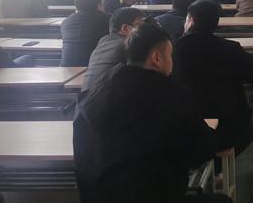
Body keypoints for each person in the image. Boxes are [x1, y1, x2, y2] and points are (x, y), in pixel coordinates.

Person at [74, 23, 229, 203]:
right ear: (156, 57)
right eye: (170, 55)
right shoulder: (172, 94)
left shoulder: (97, 90)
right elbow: (200, 152)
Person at [173, 0, 253, 155]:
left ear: (191, 21)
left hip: (187, 128)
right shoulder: (230, 48)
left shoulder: (174, 50)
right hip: (229, 128)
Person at [82, 7, 145, 92]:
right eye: (140, 25)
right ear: (125, 28)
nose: (144, 29)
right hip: (107, 97)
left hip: (86, 94)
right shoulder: (128, 44)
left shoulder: (104, 40)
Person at [60, 0, 112, 67]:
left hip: (66, 68)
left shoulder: (66, 22)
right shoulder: (109, 20)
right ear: (99, 5)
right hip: (95, 67)